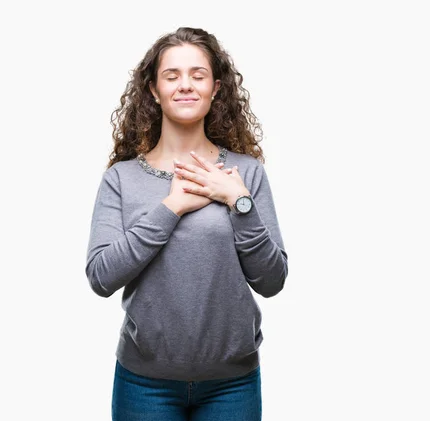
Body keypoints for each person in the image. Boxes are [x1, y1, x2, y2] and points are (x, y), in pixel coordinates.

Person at [85, 27, 288, 421]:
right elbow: (101, 277)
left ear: (215, 88)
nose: (185, 85)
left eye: (198, 75)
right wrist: (171, 206)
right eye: (172, 75)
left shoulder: (245, 173)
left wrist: (237, 201)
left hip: (233, 384)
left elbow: (272, 280)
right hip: (144, 384)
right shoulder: (121, 178)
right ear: (152, 90)